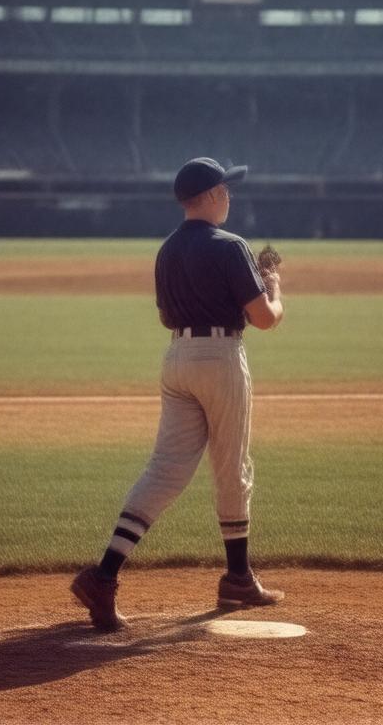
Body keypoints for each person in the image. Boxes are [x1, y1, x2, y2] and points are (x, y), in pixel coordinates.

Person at [71, 157, 285, 631]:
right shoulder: (232, 246)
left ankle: (104, 575)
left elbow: (167, 317)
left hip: (177, 359)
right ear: (207, 197)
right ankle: (237, 578)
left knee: (164, 470)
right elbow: (266, 318)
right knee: (232, 467)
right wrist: (274, 285)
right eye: (224, 190)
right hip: (221, 359)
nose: (230, 195)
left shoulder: (166, 250)